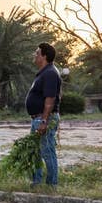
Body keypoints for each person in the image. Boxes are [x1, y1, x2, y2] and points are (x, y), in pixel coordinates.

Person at [25, 43, 62, 186]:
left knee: (47, 151)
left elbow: (50, 99)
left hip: (43, 119)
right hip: (38, 118)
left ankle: (51, 184)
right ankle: (36, 182)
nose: (35, 55)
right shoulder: (44, 72)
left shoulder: (51, 73)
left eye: (37, 53)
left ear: (44, 56)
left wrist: (44, 121)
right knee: (35, 152)